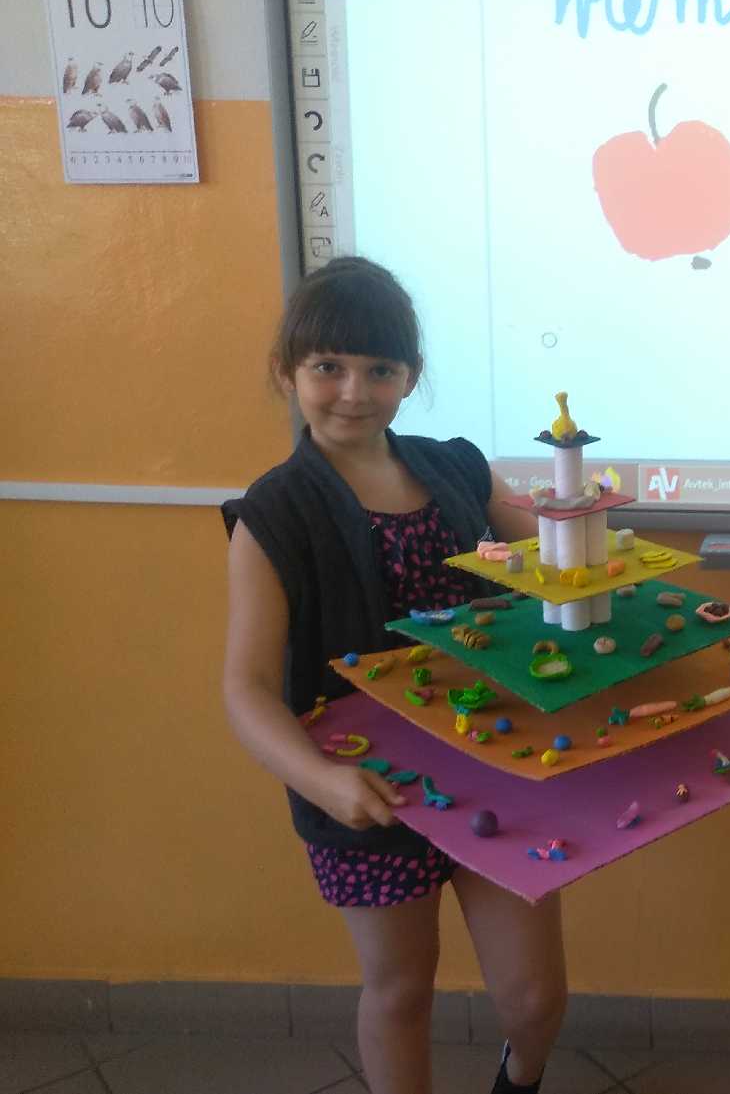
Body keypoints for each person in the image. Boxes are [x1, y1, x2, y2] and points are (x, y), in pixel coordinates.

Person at [221, 257, 564, 1094]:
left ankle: (518, 1079)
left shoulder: (457, 467)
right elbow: (247, 688)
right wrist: (324, 780)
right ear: (287, 371)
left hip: (494, 764)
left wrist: (583, 536)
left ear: (410, 376)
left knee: (533, 996)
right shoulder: (274, 511)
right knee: (401, 988)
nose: (353, 391)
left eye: (380, 368)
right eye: (327, 366)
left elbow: (555, 560)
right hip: (367, 793)